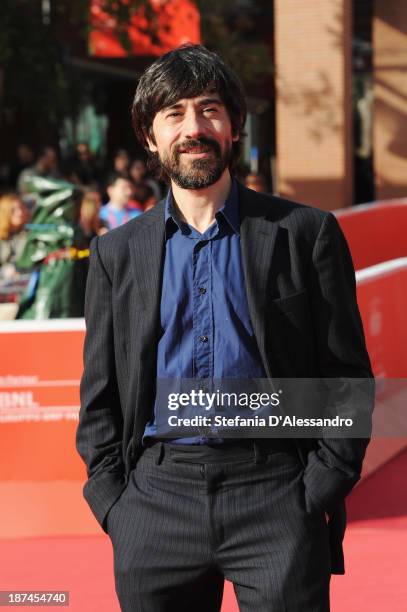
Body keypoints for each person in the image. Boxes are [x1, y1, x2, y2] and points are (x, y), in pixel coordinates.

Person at [76, 44, 374, 611]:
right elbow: (100, 394)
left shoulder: (305, 234)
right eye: (175, 114)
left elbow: (347, 377)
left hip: (277, 491)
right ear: (150, 136)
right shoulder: (116, 253)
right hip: (155, 498)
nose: (194, 128)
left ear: (235, 126)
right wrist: (115, 502)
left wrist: (318, 486)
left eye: (210, 110)